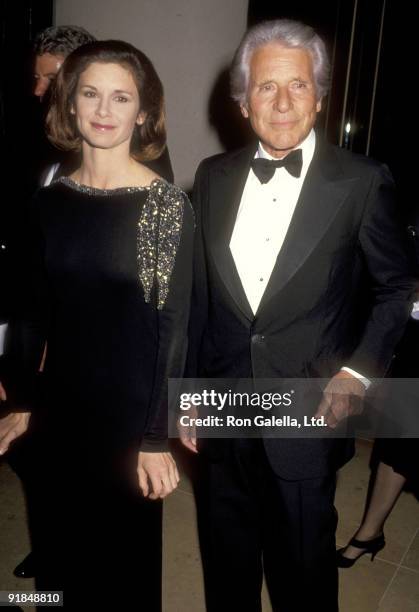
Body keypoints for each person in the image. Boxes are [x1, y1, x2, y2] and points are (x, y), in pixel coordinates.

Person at [181, 18, 416, 612]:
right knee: (226, 561)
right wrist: (187, 397)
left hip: (308, 406)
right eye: (265, 87)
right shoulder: (211, 177)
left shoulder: (362, 182)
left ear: (320, 96)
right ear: (242, 100)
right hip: (223, 407)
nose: (282, 102)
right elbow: (200, 299)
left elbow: (396, 287)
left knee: (303, 572)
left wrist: (359, 372)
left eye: (298, 86)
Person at [1, 39, 194, 611]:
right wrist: (20, 401)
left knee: (122, 572)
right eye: (91, 94)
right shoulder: (50, 203)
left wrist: (157, 437)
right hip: (60, 413)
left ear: (144, 111)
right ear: (70, 103)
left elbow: (174, 329)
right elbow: (34, 313)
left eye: (120, 97)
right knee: (58, 559)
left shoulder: (163, 206)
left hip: (128, 420)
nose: (104, 110)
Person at [32, 25, 174, 184]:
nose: (38, 90)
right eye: (90, 94)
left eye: (53, 79)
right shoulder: (46, 156)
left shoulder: (152, 178)